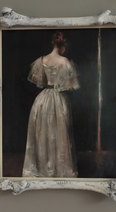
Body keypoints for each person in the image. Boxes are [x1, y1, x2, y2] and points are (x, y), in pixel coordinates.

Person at [22, 31, 80, 178]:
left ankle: (45, 167)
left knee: (44, 133)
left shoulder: (42, 60)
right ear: (63, 46)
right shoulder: (65, 62)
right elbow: (71, 85)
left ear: (52, 43)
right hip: (57, 100)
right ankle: (55, 169)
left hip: (42, 100)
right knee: (57, 134)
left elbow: (39, 82)